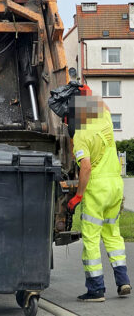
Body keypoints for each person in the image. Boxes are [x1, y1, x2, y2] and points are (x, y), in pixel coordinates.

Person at [49, 83, 131, 302]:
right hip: (115, 185)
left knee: (92, 239)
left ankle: (96, 290)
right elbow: (102, 105)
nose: (67, 125)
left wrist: (78, 195)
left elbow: (85, 167)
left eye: (67, 120)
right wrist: (85, 90)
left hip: (97, 189)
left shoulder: (81, 137)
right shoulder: (103, 119)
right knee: (113, 233)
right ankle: (123, 281)